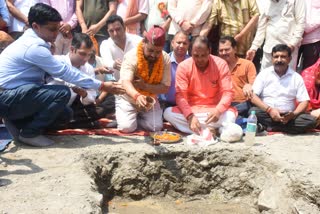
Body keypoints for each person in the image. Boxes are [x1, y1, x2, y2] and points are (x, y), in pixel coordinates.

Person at [0, 3, 125, 147]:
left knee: (66, 113)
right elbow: (65, 72)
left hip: (18, 95)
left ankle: (21, 124)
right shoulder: (34, 47)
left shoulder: (40, 44)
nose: (56, 34)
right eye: (52, 30)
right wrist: (102, 85)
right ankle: (29, 133)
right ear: (36, 27)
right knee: (61, 93)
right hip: (7, 97)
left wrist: (87, 91)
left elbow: (89, 97)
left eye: (57, 29)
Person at [164, 36, 236, 135]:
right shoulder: (183, 67)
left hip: (214, 110)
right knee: (168, 113)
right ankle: (212, 130)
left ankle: (198, 130)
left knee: (230, 115)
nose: (200, 59)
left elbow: (228, 93)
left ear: (210, 51)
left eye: (204, 55)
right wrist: (190, 116)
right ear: (190, 53)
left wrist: (218, 111)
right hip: (192, 110)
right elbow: (180, 96)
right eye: (196, 56)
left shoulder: (221, 64)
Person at [249, 44, 317, 134]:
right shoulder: (264, 74)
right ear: (272, 58)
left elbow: (304, 101)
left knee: (310, 121)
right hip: (267, 112)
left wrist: (293, 114)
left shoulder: (296, 77)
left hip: (288, 116)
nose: (279, 60)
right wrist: (270, 110)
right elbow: (253, 97)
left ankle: (270, 127)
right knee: (253, 111)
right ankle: (281, 128)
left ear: (289, 59)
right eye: (276, 57)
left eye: (283, 57)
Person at [116, 25, 171, 133]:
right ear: (144, 42)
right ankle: (127, 116)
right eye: (150, 50)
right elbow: (126, 82)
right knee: (126, 128)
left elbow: (165, 88)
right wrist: (137, 96)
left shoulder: (165, 58)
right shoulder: (132, 56)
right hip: (128, 98)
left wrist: (145, 86)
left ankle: (136, 118)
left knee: (155, 127)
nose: (154, 55)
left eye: (157, 52)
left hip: (150, 100)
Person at [47, 33, 107, 129]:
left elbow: (92, 96)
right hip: (51, 105)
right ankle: (65, 123)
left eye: (89, 55)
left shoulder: (89, 68)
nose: (85, 58)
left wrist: (84, 94)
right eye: (82, 54)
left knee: (100, 110)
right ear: (72, 49)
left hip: (72, 107)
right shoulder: (57, 61)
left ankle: (65, 123)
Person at [246, 0, 305, 71]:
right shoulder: (265, 3)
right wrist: (254, 48)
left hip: (288, 49)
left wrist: (292, 44)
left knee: (287, 79)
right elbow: (261, 27)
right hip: (269, 49)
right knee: (266, 78)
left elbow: (301, 23)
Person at [218, 36, 256, 118]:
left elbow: (255, 85)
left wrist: (249, 85)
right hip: (223, 103)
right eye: (221, 50)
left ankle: (230, 115)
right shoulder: (216, 67)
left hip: (242, 103)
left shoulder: (247, 64)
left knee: (251, 110)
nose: (224, 53)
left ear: (235, 49)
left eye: (227, 49)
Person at [100, 15, 142, 82]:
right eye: (111, 31)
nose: (115, 34)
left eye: (118, 29)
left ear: (124, 28)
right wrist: (114, 64)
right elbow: (106, 61)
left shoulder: (138, 41)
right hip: (120, 84)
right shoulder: (105, 44)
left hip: (140, 81)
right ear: (108, 32)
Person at [158, 31, 189, 108]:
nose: (181, 46)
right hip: (164, 104)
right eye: (178, 42)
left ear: (189, 45)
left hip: (187, 105)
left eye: (184, 43)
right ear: (172, 43)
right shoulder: (163, 61)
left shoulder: (192, 63)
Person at [299, 0, 320, 70]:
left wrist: (304, 30)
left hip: (313, 40)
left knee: (308, 70)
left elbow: (317, 20)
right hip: (295, 39)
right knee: (290, 67)